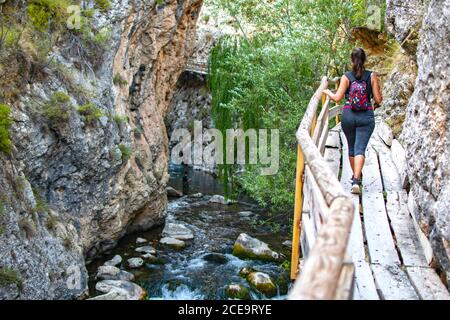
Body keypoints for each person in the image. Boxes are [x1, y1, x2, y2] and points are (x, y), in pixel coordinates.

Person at [323, 48, 383, 194]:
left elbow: (337, 98)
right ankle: (356, 179)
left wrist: (327, 92)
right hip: (366, 116)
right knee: (360, 148)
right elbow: (378, 99)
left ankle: (355, 176)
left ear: (351, 60)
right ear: (365, 60)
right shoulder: (372, 76)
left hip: (349, 115)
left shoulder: (346, 77)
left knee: (351, 148)